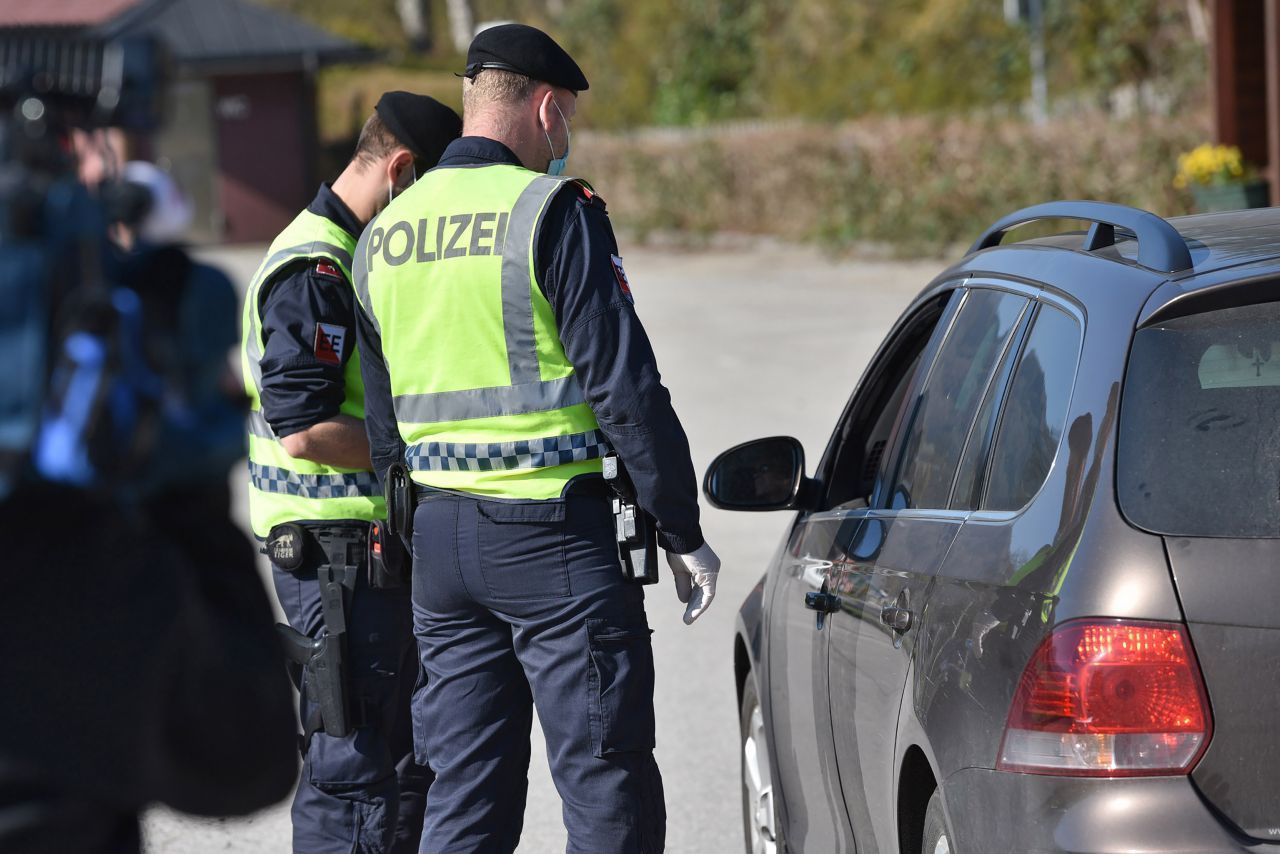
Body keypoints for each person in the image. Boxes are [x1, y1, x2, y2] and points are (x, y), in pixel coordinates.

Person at [353, 24, 721, 853]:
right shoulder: (552, 212)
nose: (568, 138)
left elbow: (385, 435)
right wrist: (681, 528)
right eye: (570, 120)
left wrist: (417, 540)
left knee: (465, 796)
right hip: (554, 535)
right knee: (605, 782)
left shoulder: (384, 235)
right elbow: (626, 392)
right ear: (545, 107)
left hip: (442, 547)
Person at [240, 92, 461, 854]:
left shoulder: (343, 256)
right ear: (400, 170)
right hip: (333, 560)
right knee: (356, 772)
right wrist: (419, 449)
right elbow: (302, 429)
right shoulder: (315, 268)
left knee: (391, 764)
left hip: (353, 556)